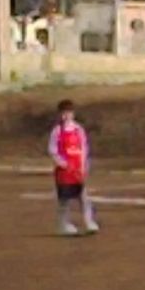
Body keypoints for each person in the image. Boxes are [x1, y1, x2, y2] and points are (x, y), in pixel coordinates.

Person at [48, 99, 99, 236]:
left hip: (77, 170)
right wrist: (63, 164)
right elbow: (53, 150)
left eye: (68, 113)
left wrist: (82, 166)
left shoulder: (78, 130)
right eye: (63, 113)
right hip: (64, 172)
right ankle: (63, 225)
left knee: (83, 197)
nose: (66, 116)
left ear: (73, 114)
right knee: (64, 200)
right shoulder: (57, 131)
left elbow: (83, 148)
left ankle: (89, 222)